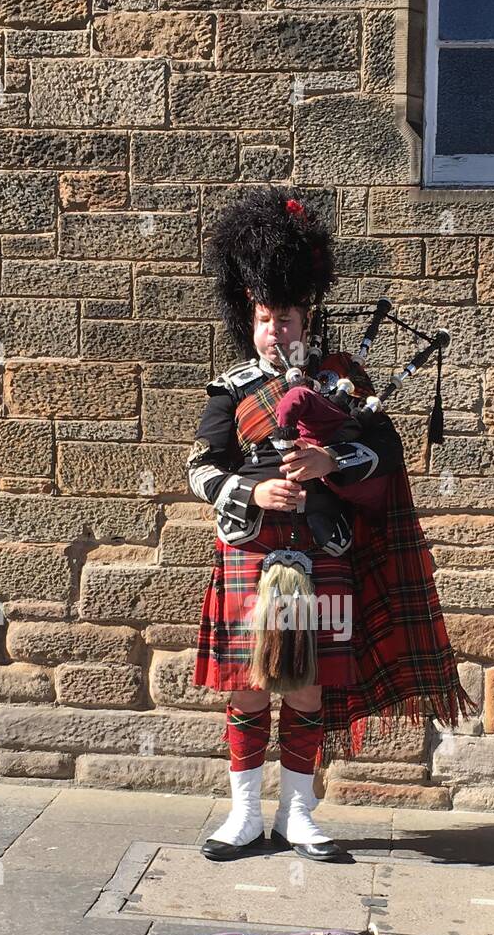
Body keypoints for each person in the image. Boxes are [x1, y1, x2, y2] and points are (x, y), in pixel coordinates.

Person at [187, 187, 474, 863]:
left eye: (284, 318)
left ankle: (298, 814)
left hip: (323, 554)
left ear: (307, 317)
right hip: (252, 555)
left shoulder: (345, 382)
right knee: (248, 684)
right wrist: (253, 493)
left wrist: (329, 460)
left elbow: (382, 456)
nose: (274, 331)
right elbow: (199, 470)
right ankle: (242, 817)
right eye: (263, 318)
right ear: (249, 320)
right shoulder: (230, 390)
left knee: (307, 684)